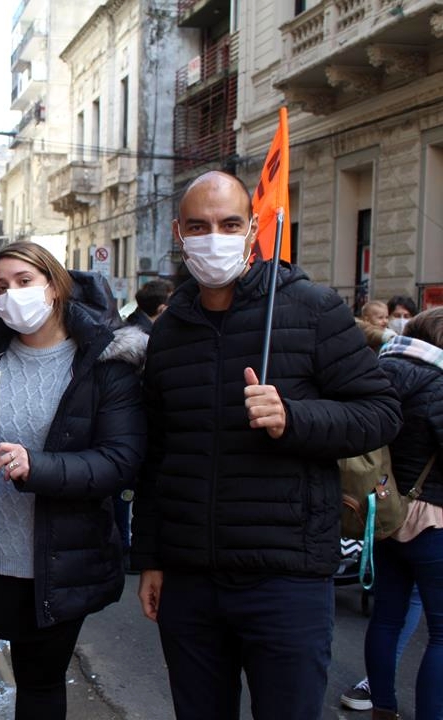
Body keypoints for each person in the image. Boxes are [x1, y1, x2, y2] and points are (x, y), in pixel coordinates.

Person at [131, 170, 402, 720]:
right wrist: (152, 559)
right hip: (190, 579)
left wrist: (293, 418)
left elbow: (380, 412)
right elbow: (158, 454)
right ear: (179, 235)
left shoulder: (312, 308)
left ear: (254, 228)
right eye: (199, 226)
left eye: (230, 223)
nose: (215, 237)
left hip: (286, 578)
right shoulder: (170, 330)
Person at [0, 242, 147, 720]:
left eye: (24, 281)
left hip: (54, 567)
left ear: (55, 285)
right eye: (0, 287)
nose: (11, 295)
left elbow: (119, 460)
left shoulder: (104, 366)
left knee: (41, 688)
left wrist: (37, 466)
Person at [364, 307, 443, 720]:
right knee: (442, 634)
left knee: (387, 618)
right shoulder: (440, 382)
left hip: (385, 510)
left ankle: (383, 708)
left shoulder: (379, 370)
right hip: (434, 518)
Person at [118, 277, 174, 567]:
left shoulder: (135, 330)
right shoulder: (144, 341)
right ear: (162, 308)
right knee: (127, 493)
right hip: (137, 429)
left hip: (135, 430)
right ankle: (125, 547)